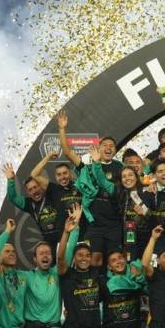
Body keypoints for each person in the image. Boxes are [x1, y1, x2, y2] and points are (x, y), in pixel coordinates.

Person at [57, 109, 122, 267]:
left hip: (114, 224)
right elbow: (67, 152)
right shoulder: (86, 167)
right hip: (94, 225)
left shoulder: (120, 168)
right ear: (98, 149)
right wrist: (62, 128)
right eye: (104, 145)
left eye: (111, 146)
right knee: (94, 260)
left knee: (114, 260)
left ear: (114, 150)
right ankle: (94, 289)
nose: (108, 147)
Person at [23, 215, 80, 328]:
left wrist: (74, 228)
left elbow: (69, 250)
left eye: (48, 253)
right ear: (35, 259)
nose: (45, 256)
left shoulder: (56, 273)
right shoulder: (26, 277)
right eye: (41, 253)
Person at [89, 146, 150, 261]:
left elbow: (154, 216)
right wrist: (97, 163)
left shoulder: (147, 191)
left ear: (136, 177)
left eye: (130, 175)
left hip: (146, 235)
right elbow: (102, 180)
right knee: (130, 261)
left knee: (146, 265)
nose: (127, 179)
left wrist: (144, 213)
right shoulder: (118, 191)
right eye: (124, 176)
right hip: (129, 234)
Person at [57, 205, 103, 328]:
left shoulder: (96, 273)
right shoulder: (68, 274)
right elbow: (60, 258)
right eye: (80, 255)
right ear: (74, 258)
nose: (84, 258)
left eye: (87, 255)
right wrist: (66, 232)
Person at [4, 162, 60, 248]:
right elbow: (13, 198)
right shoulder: (29, 204)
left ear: (41, 186)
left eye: (35, 187)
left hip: (63, 238)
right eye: (30, 189)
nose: (34, 191)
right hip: (48, 244)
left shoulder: (52, 194)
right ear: (28, 192)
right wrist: (10, 180)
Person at [30, 151, 83, 239]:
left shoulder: (79, 185)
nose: (62, 177)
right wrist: (48, 157)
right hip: (63, 235)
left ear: (70, 173)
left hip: (82, 232)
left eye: (65, 173)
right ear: (55, 177)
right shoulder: (53, 189)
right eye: (59, 174)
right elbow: (34, 174)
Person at [100, 249, 147, 328]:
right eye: (113, 260)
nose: (118, 261)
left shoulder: (137, 278)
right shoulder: (104, 282)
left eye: (120, 258)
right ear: (109, 267)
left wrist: (139, 275)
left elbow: (148, 290)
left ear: (125, 260)